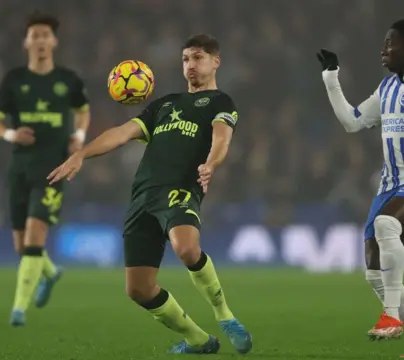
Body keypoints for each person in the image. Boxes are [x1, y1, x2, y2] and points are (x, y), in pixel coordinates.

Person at [48, 34, 252, 355]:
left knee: (186, 249)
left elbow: (222, 136)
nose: (190, 66)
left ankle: (224, 314)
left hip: (180, 190)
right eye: (185, 59)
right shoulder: (164, 105)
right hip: (143, 197)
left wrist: (211, 163)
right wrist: (81, 154)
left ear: (216, 62)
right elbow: (122, 133)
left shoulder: (220, 102)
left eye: (197, 58)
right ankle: (197, 339)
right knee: (138, 289)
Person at [318, 19, 404, 357]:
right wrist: (331, 77)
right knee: (374, 274)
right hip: (390, 185)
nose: (383, 49)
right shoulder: (387, 88)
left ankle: (391, 316)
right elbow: (351, 122)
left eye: (389, 43)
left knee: (386, 225)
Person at [0, 12, 90, 326]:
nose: (41, 40)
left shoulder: (68, 80)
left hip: (53, 168)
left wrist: (79, 136)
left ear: (54, 42)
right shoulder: (14, 80)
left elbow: (83, 111)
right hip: (20, 166)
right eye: (36, 35)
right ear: (26, 41)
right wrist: (9, 134)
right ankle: (50, 271)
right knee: (22, 245)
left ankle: (19, 309)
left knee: (34, 236)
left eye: (46, 35)